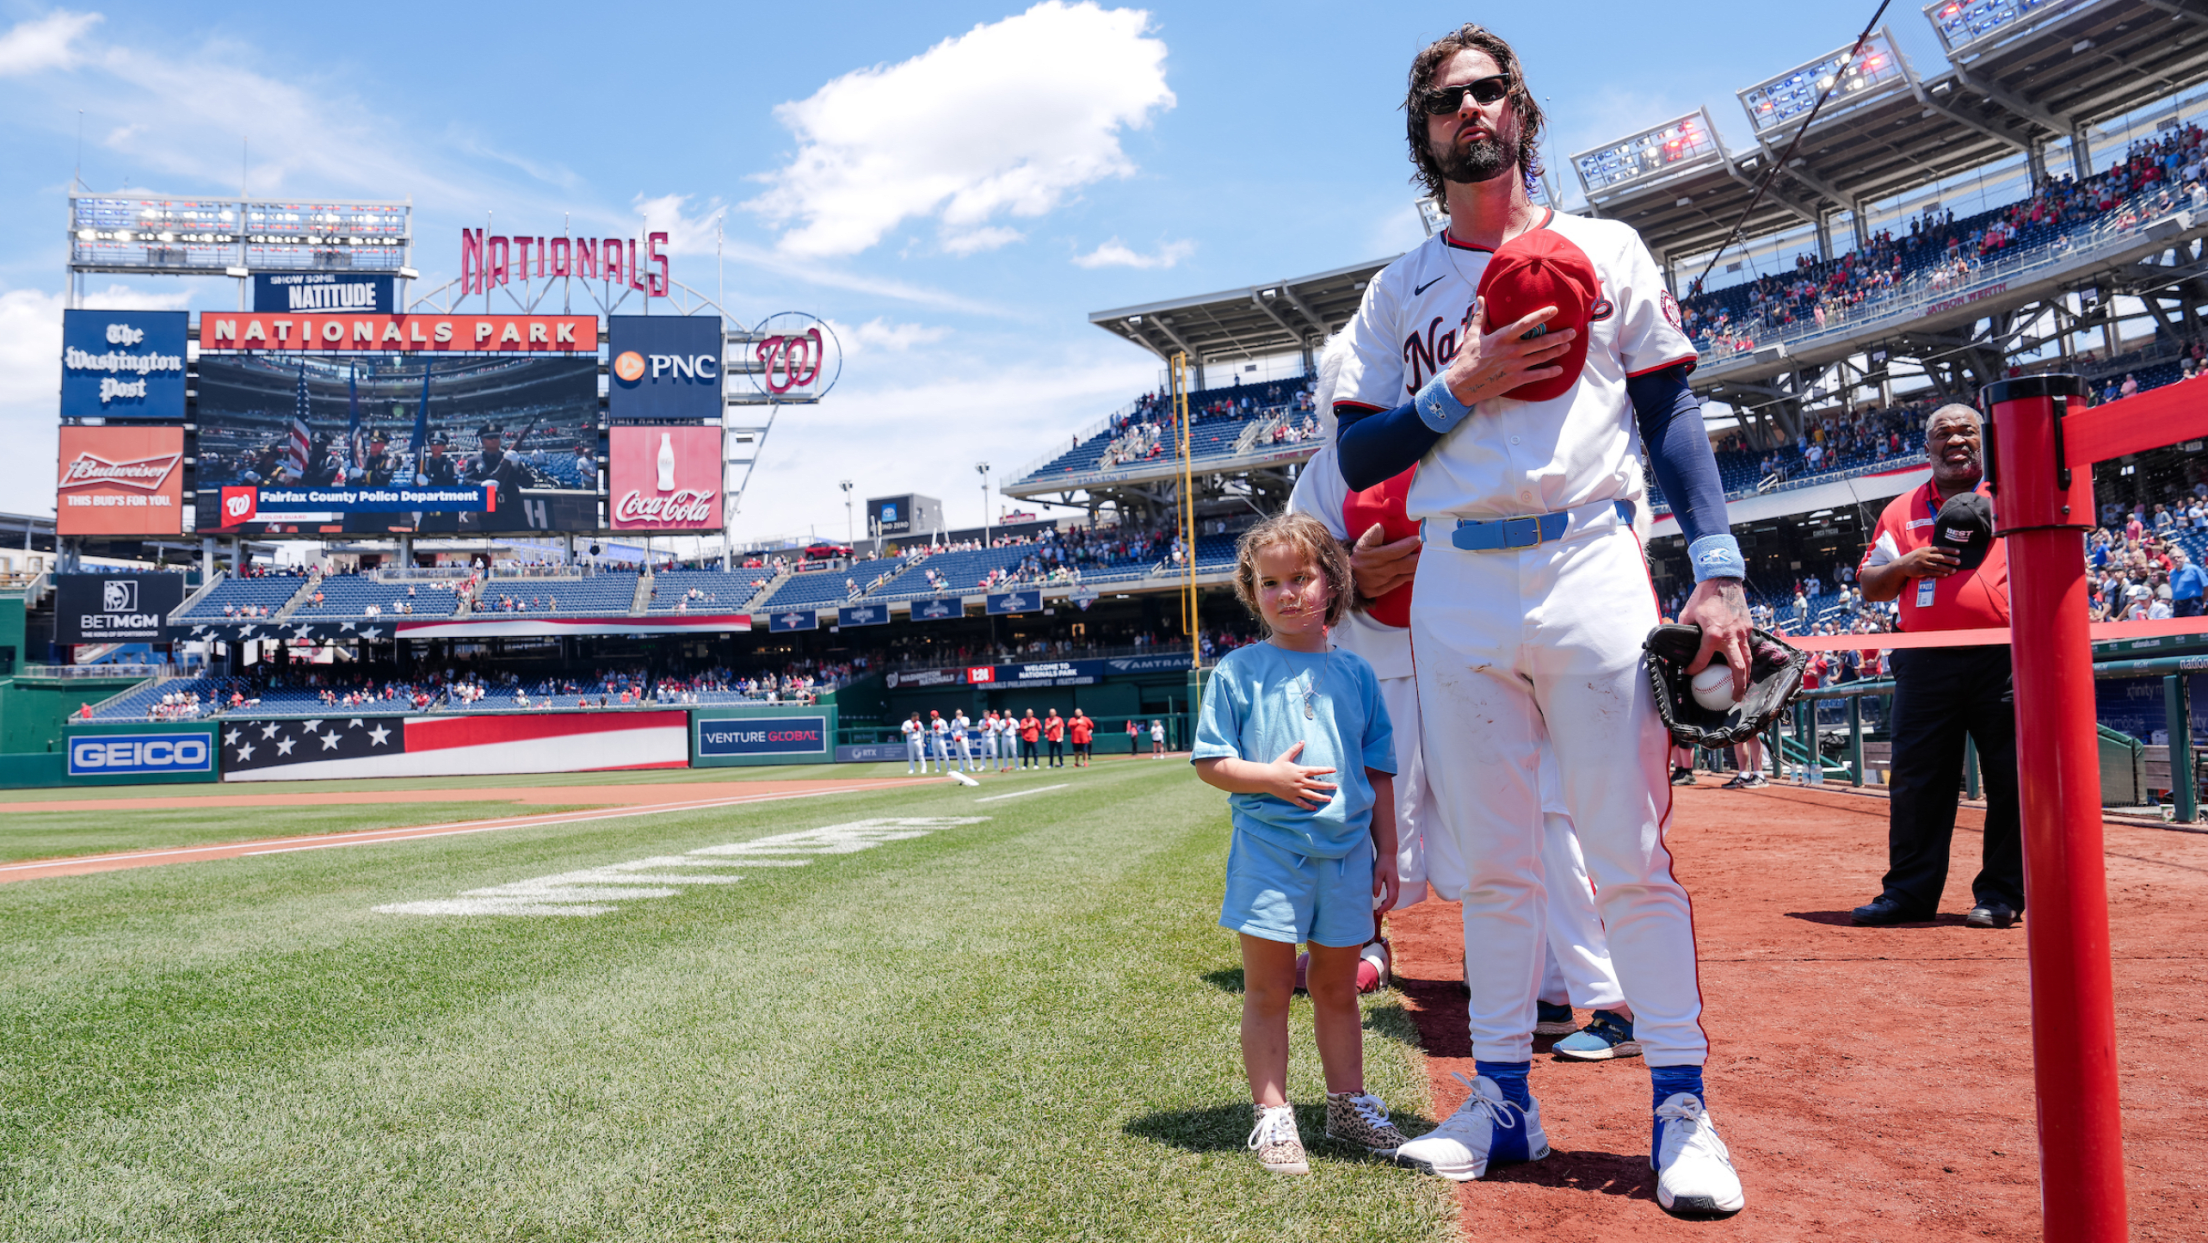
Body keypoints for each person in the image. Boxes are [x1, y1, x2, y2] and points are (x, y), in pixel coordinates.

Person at [1335, 26, 1749, 1214]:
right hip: (1458, 578)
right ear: (1424, 133)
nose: (1472, 111)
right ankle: (1502, 1100)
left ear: (1522, 111)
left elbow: (1671, 412)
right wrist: (1454, 387)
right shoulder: (1397, 288)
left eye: (1491, 91)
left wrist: (1715, 565)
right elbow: (1360, 444)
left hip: (1588, 563)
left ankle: (1681, 1106)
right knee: (1501, 870)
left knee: (1625, 850)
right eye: (1448, 100)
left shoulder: (1606, 246)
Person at [1290, 424, 1638, 1060]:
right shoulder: (1335, 463)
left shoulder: (1495, 427)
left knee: (1532, 810)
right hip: (1380, 661)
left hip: (1495, 646)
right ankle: (1364, 941)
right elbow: (1289, 562)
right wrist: (1343, 573)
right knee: (1367, 809)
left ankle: (1558, 985)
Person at [1191, 512, 1409, 1173]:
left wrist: (1390, 851)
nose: (1288, 593)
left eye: (1302, 577)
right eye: (1271, 582)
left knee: (1338, 989)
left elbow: (1378, 771)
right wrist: (1271, 778)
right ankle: (1274, 1114)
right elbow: (1210, 761)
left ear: (1332, 582)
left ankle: (1346, 1104)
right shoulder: (1238, 671)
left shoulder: (1359, 676)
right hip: (1270, 854)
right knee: (1270, 988)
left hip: (1346, 857)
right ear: (1252, 591)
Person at [1851, 403, 2023, 930]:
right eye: (1943, 433)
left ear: (1983, 441)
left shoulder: (2011, 497)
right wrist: (1906, 564)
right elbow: (1870, 583)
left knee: (2011, 778)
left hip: (2005, 657)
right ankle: (1908, 893)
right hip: (1925, 661)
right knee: (1917, 780)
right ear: (1927, 448)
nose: (1956, 440)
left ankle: (2001, 894)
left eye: (1966, 431)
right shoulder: (1901, 511)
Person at [2171, 547, 2205, 618]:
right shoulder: (2172, 573)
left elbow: (2206, 585)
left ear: (2184, 557)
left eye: (2179, 557)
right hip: (2177, 605)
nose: (2176, 559)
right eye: (2173, 558)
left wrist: (2203, 601)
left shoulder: (2193, 569)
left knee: (2195, 627)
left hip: (2192, 604)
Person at [928, 709, 952, 775]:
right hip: (934, 738)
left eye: (932, 716)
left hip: (940, 738)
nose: (931, 717)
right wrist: (929, 732)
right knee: (935, 754)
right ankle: (938, 768)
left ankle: (948, 767)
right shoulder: (933, 722)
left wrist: (940, 732)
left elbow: (947, 730)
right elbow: (933, 730)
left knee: (944, 753)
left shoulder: (943, 721)